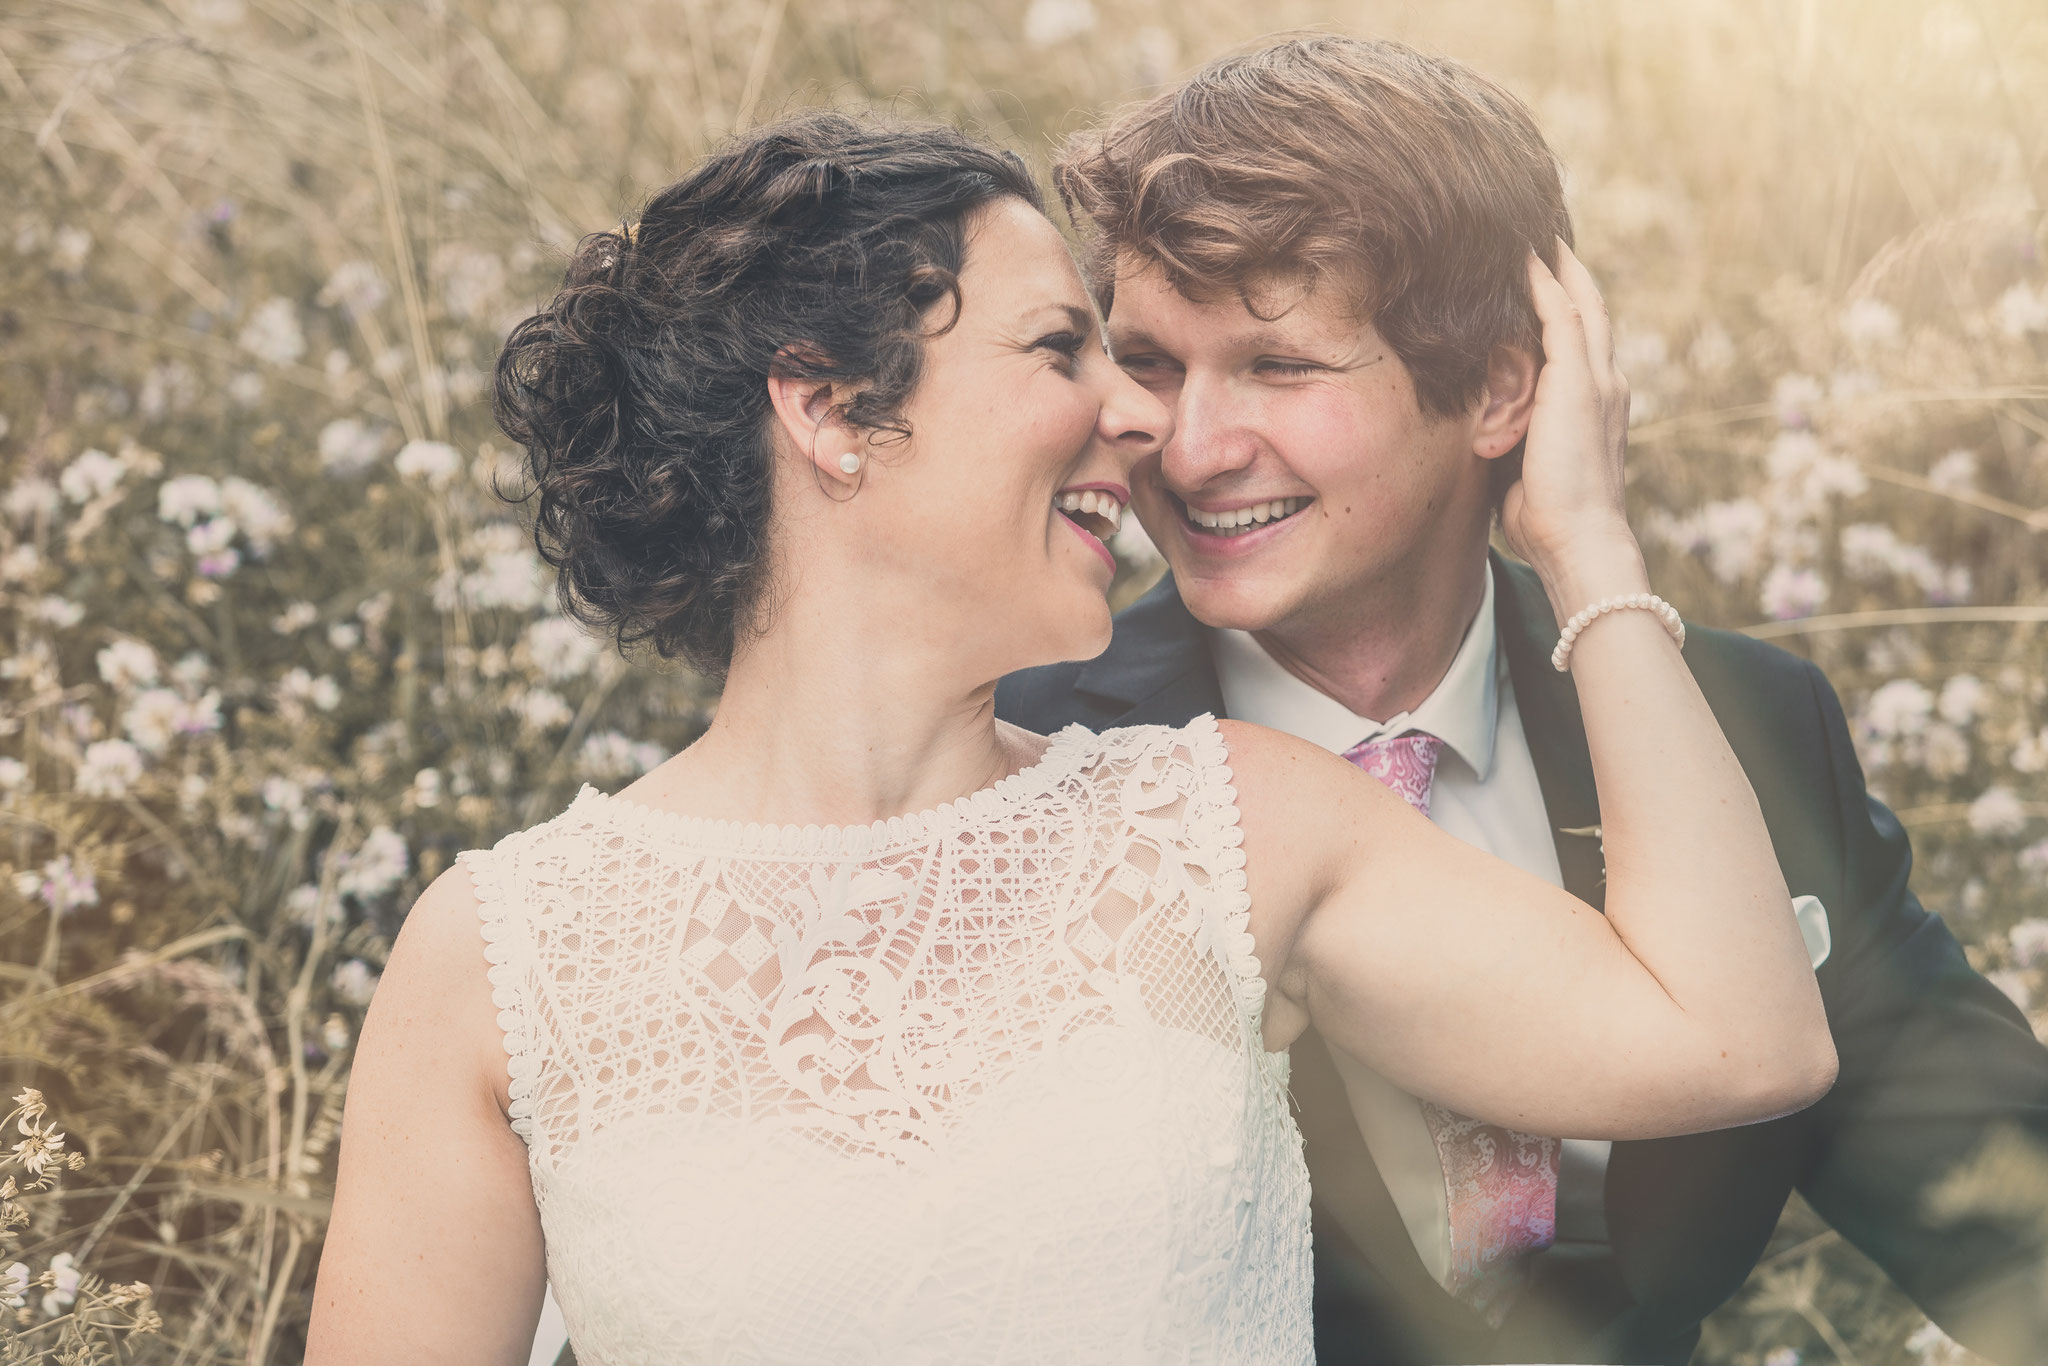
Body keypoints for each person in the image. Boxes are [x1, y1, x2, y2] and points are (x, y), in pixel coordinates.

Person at [305, 109, 1833, 1365]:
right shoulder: (503, 956)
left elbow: (1738, 1040)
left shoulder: (1233, 827)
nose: (1148, 421)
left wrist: (1586, 549)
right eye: (1061, 352)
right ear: (835, 411)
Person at [996, 33, 2048, 1366]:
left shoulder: (1745, 728)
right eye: (1149, 361)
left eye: (1279, 366)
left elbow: (2011, 1216)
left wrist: (1594, 557)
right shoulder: (1026, 761)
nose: (1192, 449)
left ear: (1502, 386)